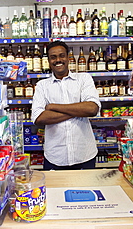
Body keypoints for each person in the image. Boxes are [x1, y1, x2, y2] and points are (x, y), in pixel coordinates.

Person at [31, 41, 101, 170]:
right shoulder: (42, 85)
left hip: (84, 155)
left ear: (68, 57)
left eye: (61, 55)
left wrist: (52, 107)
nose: (58, 60)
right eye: (53, 57)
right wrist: (78, 110)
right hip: (55, 157)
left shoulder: (84, 79)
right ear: (48, 60)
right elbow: (38, 118)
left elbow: (92, 109)